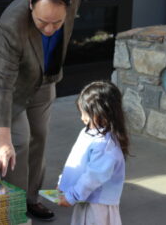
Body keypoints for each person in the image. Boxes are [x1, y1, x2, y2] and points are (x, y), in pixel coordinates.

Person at [0, 0, 82, 220]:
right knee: (18, 142)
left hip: (42, 73)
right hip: (5, 78)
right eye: (43, 22)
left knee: (39, 135)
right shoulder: (12, 23)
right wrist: (2, 139)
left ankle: (31, 198)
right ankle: (14, 211)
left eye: (58, 22)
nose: (50, 29)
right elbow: (2, 83)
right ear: (31, 4)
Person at [57, 81, 130, 225]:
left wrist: (72, 195)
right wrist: (63, 183)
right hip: (85, 198)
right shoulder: (89, 132)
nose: (82, 118)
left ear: (102, 113)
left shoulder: (105, 145)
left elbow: (93, 176)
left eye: (86, 113)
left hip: (98, 205)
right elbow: (77, 162)